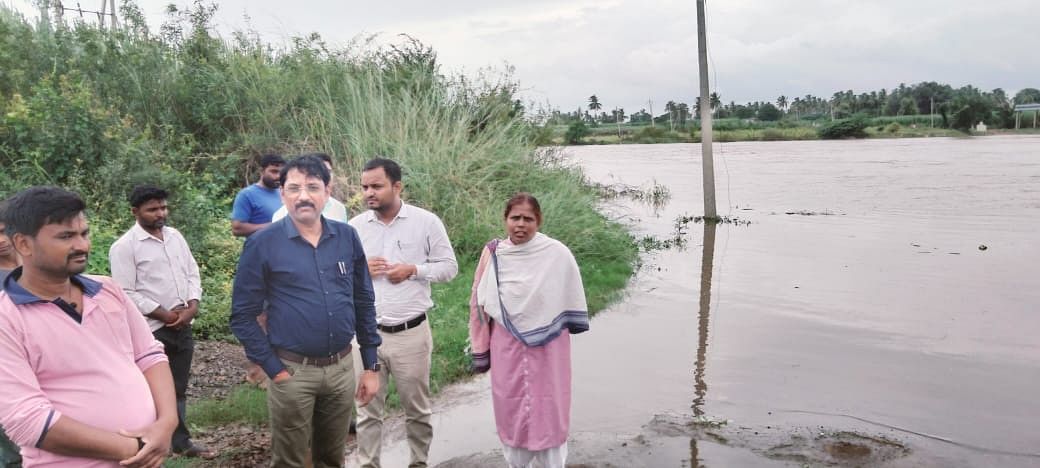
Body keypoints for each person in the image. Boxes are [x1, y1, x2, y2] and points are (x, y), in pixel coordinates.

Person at [0, 186, 177, 468]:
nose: (82, 245)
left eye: (84, 233)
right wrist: (137, 447)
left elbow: (149, 356)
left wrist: (167, 424)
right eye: (66, 236)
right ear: (23, 244)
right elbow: (27, 420)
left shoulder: (109, 291)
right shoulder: (7, 317)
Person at [230, 155, 382, 467]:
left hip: (341, 369)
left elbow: (363, 300)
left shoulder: (346, 237)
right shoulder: (262, 244)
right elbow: (242, 315)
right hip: (292, 371)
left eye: (313, 187)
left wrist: (370, 365)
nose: (303, 196)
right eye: (294, 187)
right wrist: (274, 368)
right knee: (290, 461)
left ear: (328, 192)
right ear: (282, 193)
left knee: (332, 458)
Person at [349, 158, 458, 468]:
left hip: (411, 334)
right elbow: (334, 273)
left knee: (417, 410)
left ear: (397, 186)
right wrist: (360, 270)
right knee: (367, 410)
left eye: (376, 186)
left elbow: (449, 268)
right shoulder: (354, 228)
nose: (369, 193)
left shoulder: (426, 222)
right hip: (367, 336)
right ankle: (369, 465)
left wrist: (414, 270)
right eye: (365, 187)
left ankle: (419, 463)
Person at [468, 193, 589, 468]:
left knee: (550, 402)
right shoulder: (494, 253)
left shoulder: (556, 253)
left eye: (528, 219)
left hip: (549, 347)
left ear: (539, 221)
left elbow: (567, 293)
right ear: (505, 219)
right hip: (505, 344)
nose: (520, 225)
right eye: (515, 218)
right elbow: (478, 302)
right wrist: (480, 348)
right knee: (509, 402)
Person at [108, 185, 213, 459]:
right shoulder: (124, 247)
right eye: (152, 209)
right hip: (152, 331)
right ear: (135, 212)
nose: (160, 213)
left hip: (183, 325)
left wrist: (192, 305)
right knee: (151, 390)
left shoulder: (175, 237)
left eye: (163, 207)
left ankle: (181, 442)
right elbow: (126, 292)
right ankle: (149, 442)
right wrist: (164, 314)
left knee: (178, 387)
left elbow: (192, 272)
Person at [0, 208, 24, 467]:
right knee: (12, 450)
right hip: (5, 369)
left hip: (42, 362)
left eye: (2, 231)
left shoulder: (38, 265)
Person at [272, 153, 349, 223]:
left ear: (326, 192)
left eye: (329, 171)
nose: (304, 197)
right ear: (282, 194)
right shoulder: (280, 216)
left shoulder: (339, 209)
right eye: (294, 189)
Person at [231, 153, 285, 237]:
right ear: (262, 171)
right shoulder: (247, 195)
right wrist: (275, 225)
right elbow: (237, 229)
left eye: (281, 172)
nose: (278, 176)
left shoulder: (284, 192)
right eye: (274, 171)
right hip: (259, 248)